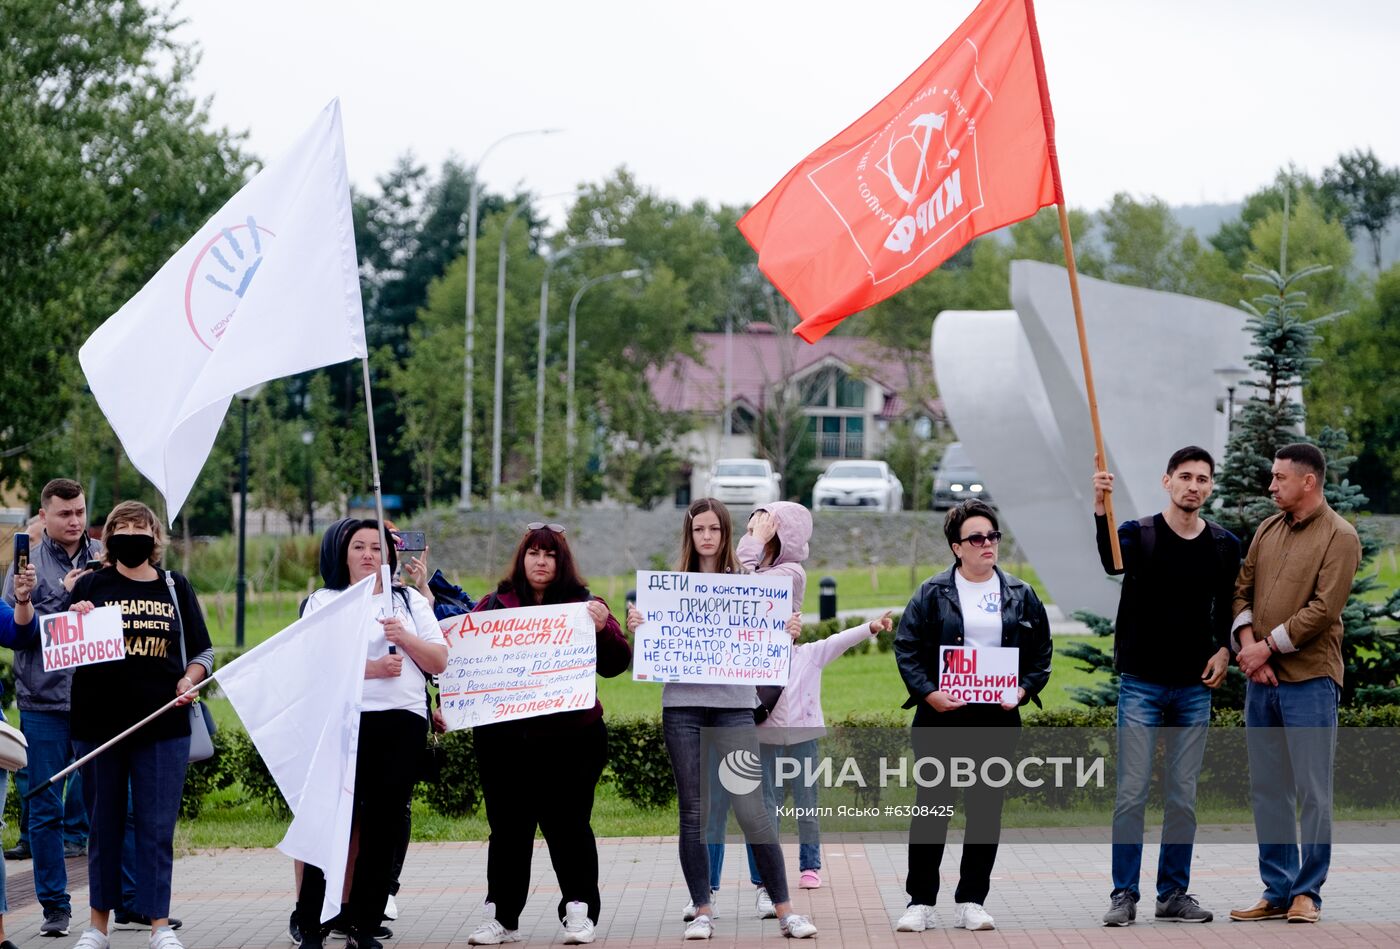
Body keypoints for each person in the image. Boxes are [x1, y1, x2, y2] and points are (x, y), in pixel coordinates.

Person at [626, 498, 818, 941]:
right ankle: (703, 910)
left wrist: (786, 631)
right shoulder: (671, 588)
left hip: (734, 705)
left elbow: (776, 633)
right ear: (689, 536)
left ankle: (786, 909)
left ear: (726, 533)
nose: (707, 537)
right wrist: (641, 625)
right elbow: (650, 657)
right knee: (693, 811)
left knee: (753, 809)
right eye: (698, 530)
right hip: (682, 708)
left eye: (714, 529)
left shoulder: (755, 585)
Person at [1092, 447, 1240, 926]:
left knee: (1182, 796)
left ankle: (1173, 893)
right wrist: (1101, 509)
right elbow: (1113, 563)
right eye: (1185, 477)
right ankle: (1124, 895)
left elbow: (1230, 607)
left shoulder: (1222, 545)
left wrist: (1225, 650)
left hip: (1194, 687)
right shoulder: (1140, 534)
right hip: (1142, 684)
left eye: (1202, 479)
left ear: (1210, 487)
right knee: (1132, 792)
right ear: (1166, 481)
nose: (1193, 486)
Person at [466, 523, 631, 946]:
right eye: (534, 553)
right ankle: (501, 916)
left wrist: (604, 628)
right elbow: (466, 666)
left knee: (570, 825)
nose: (542, 562)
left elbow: (616, 664)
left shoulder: (585, 605)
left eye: (551, 555)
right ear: (522, 559)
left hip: (572, 740)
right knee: (507, 829)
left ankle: (579, 911)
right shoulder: (493, 607)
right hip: (505, 743)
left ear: (563, 562)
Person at [893, 499, 1052, 933]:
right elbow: (906, 648)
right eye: (977, 538)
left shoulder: (1020, 593)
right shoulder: (931, 593)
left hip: (996, 720)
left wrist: (1023, 689)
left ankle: (972, 900)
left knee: (985, 811)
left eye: (993, 536)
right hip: (941, 717)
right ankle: (920, 902)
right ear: (956, 547)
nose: (988, 544)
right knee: (932, 808)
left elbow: (1041, 655)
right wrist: (928, 693)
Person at [66, 501, 214, 949]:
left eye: (141, 526)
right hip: (99, 725)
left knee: (155, 829)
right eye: (123, 526)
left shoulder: (174, 586)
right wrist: (75, 620)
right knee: (103, 826)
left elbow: (203, 653)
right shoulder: (91, 585)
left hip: (162, 727)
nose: (132, 533)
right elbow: (63, 649)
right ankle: (97, 927)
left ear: (156, 537)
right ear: (108, 537)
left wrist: (189, 681)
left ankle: (159, 926)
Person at [294, 518, 447, 949]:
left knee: (384, 826)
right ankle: (311, 924)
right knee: (334, 823)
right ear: (342, 554)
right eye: (358, 546)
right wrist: (373, 670)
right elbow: (314, 665)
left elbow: (438, 660)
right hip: (344, 721)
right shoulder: (323, 602)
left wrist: (406, 640)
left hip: (401, 720)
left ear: (390, 555)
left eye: (377, 548)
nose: (368, 555)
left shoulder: (410, 602)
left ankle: (363, 924)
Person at [1228, 444, 1360, 925]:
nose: (1271, 485)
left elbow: (1323, 610)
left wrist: (1269, 647)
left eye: (1280, 478)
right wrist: (1249, 646)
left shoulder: (1339, 537)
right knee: (1268, 789)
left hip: (1310, 681)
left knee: (1311, 790)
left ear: (1309, 482)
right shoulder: (1267, 529)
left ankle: (1308, 893)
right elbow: (1241, 588)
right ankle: (1277, 889)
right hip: (1261, 681)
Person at [1, 479, 99, 936]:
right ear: (43, 516)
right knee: (45, 809)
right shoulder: (25, 567)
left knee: (118, 804)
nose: (75, 521)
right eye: (65, 514)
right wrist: (55, 594)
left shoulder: (105, 555)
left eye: (80, 512)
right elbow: (15, 634)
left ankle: (133, 901)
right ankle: (54, 908)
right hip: (43, 702)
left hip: (102, 699)